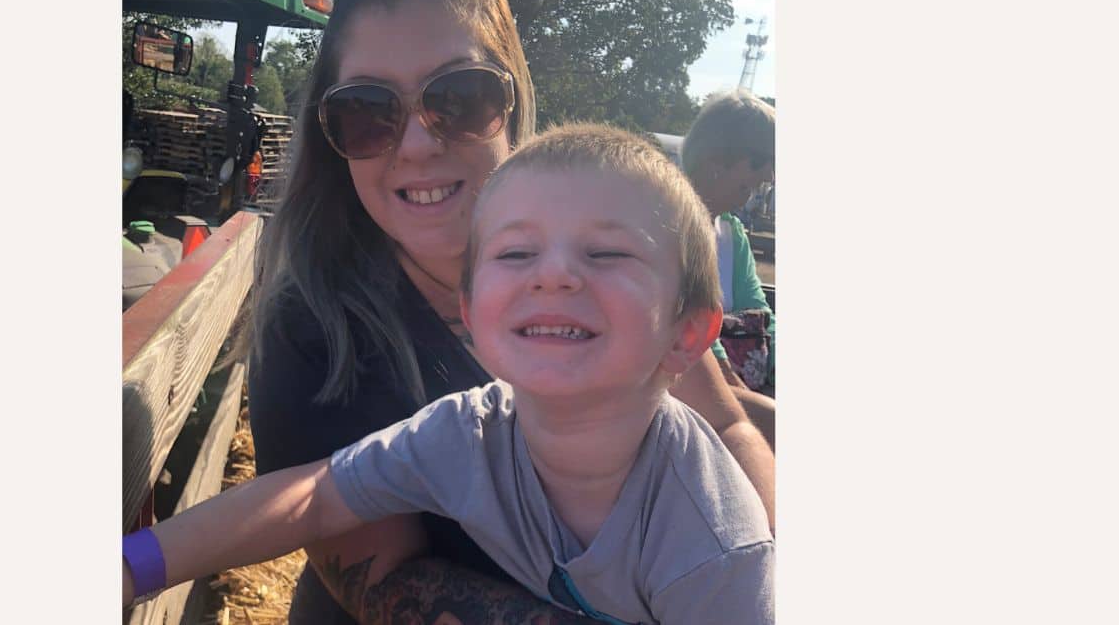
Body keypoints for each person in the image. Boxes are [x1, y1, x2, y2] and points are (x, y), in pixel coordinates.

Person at [239, 0, 775, 621]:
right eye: (367, 112)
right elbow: (388, 580)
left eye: (459, 98)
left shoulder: (620, 268)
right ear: (332, 133)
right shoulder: (310, 327)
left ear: (512, 100)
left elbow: (726, 420)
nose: (414, 144)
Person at [126, 124, 774, 624]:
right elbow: (314, 497)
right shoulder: (468, 433)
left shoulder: (717, 553)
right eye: (516, 252)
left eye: (606, 252)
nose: (553, 274)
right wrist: (132, 567)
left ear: (687, 333)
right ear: (473, 315)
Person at [681, 89, 777, 447]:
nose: (769, 174)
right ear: (717, 157)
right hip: (691, 387)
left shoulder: (730, 233)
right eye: (761, 160)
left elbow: (760, 313)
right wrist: (748, 402)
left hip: (734, 382)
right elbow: (692, 333)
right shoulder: (665, 228)